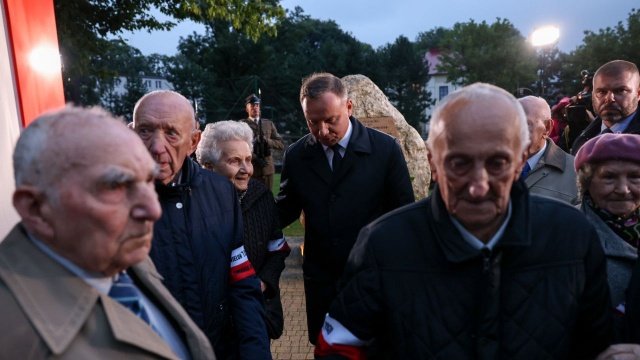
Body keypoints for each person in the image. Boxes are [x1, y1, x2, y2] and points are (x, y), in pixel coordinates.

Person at [314, 83, 612, 358]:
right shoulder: (382, 244)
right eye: (459, 163)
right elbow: (339, 348)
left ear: (521, 160)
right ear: (433, 162)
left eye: (497, 163)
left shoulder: (572, 237)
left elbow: (596, 343)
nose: (479, 185)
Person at [0, 106, 214, 359]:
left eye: (148, 180)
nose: (153, 209)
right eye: (116, 186)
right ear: (36, 209)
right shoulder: (12, 337)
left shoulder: (126, 260)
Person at [277, 72, 414, 344]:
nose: (322, 131)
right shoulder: (296, 156)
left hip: (372, 281)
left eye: (331, 120)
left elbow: (404, 216)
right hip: (322, 286)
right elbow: (284, 210)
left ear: (349, 107)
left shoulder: (386, 150)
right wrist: (240, 217)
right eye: (312, 122)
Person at [132, 91, 271, 360]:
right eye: (145, 131)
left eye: (171, 133)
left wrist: (257, 352)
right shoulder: (109, 205)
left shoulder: (221, 192)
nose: (157, 146)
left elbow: (242, 283)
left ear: (193, 142)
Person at [196, 120, 291, 340]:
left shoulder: (261, 196)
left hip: (254, 313)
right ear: (208, 166)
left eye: (248, 160)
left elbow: (279, 249)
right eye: (234, 161)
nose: (245, 169)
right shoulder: (193, 204)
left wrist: (264, 282)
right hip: (207, 323)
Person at [575, 134, 640, 335]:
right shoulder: (568, 231)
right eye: (609, 177)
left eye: (635, 177)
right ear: (587, 182)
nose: (623, 189)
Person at [518, 96, 578, 204]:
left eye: (525, 124)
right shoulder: (491, 167)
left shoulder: (575, 173)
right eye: (511, 124)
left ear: (547, 128)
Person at [571, 60, 640, 155]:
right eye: (601, 92)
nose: (609, 98)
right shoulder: (582, 140)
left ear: (638, 94)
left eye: (620, 90)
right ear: (593, 95)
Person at [239, 94, 284, 190]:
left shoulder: (268, 123)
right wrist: (254, 157)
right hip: (251, 168)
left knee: (268, 197)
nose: (255, 108)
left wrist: (267, 141)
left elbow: (280, 144)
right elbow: (239, 147)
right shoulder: (242, 125)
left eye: (257, 105)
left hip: (267, 168)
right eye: (252, 106)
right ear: (247, 109)